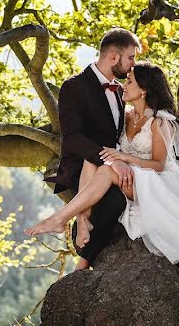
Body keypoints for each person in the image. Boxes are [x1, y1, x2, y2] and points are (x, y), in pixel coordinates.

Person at [28, 62, 179, 293]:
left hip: (158, 181)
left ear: (144, 90)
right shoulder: (124, 117)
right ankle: (82, 221)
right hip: (129, 178)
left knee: (106, 168)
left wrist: (125, 160)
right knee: (93, 160)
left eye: (130, 82)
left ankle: (59, 219)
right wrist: (116, 159)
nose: (124, 86)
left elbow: (159, 165)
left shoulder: (161, 121)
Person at [42, 28, 141, 271]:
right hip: (81, 167)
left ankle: (83, 220)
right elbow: (73, 138)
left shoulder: (119, 91)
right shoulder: (74, 86)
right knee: (116, 201)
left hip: (112, 165)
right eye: (130, 57)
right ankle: (84, 255)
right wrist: (110, 161)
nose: (133, 65)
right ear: (113, 57)